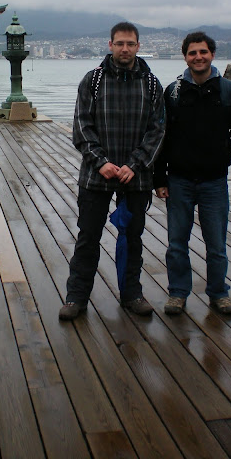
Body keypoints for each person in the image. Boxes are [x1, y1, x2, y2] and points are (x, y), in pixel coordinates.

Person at [59, 22, 165, 320]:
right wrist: (100, 161)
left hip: (135, 178)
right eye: (119, 43)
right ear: (110, 45)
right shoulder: (92, 81)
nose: (125, 49)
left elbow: (157, 131)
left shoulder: (152, 84)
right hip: (96, 175)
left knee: (132, 238)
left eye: (130, 44)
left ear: (138, 46)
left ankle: (132, 294)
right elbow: (82, 127)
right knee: (88, 237)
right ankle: (76, 297)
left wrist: (135, 164)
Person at [154, 31, 231, 316]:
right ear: (185, 57)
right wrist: (159, 179)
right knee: (177, 243)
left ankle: (218, 293)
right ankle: (177, 293)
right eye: (192, 53)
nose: (198, 57)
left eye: (203, 52)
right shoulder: (173, 92)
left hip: (214, 181)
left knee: (217, 245)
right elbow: (163, 138)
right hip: (179, 180)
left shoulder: (229, 91)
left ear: (212, 54)